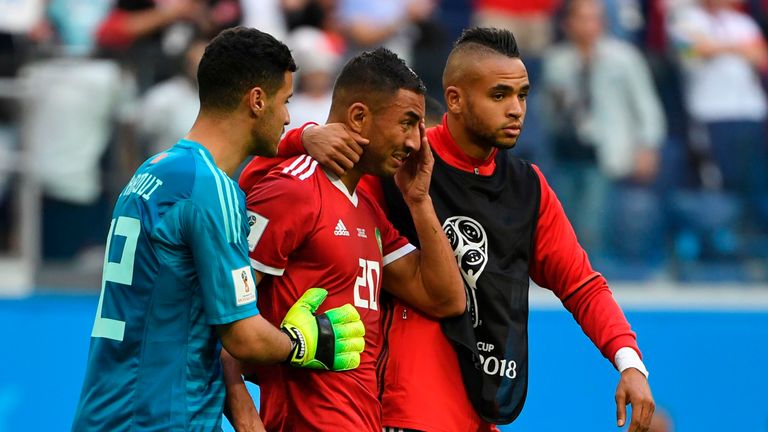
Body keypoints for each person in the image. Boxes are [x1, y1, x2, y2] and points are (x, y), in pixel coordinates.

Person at [286, 27, 655, 431]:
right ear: (455, 99)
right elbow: (305, 182)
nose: (516, 109)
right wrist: (303, 137)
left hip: (481, 408)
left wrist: (630, 362)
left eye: (522, 95)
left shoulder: (528, 188)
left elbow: (582, 285)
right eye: (499, 95)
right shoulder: (401, 159)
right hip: (404, 408)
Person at [71, 27, 365, 431]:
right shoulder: (212, 191)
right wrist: (302, 342)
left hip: (107, 413)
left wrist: (303, 137)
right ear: (257, 100)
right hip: (162, 420)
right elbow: (244, 336)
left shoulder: (154, 171)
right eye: (285, 102)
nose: (286, 117)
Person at [224, 47, 466, 431]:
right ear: (358, 117)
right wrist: (243, 413)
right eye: (406, 123)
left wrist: (419, 201)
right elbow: (222, 312)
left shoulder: (367, 210)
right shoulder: (293, 191)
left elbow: (445, 298)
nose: (415, 143)